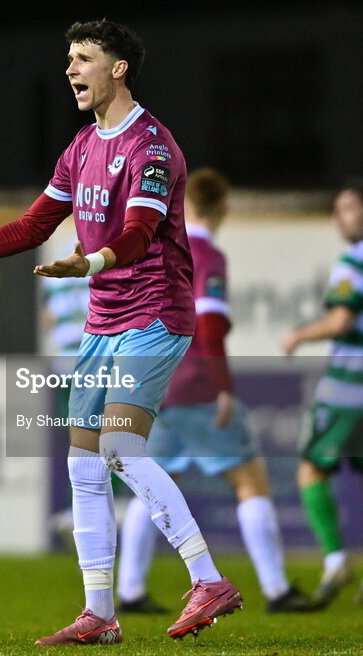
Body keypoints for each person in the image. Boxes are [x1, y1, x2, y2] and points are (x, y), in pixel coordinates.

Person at [0, 19, 242, 645]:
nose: (70, 69)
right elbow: (33, 224)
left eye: (84, 58)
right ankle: (99, 613)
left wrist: (90, 263)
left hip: (155, 312)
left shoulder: (153, 146)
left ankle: (208, 579)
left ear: (118, 68)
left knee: (121, 449)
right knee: (83, 465)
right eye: (68, 58)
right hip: (103, 319)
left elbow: (141, 233)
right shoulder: (81, 146)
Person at [116, 168, 315, 614]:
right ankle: (278, 589)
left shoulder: (157, 249)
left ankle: (129, 590)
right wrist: (223, 387)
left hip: (153, 386)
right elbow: (207, 324)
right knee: (250, 480)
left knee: (153, 487)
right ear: (224, 208)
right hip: (198, 387)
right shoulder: (207, 254)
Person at [280, 179, 363, 606]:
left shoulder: (353, 262)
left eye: (348, 208)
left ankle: (337, 559)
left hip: (350, 389)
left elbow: (340, 322)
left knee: (310, 471)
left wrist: (300, 335)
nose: (340, 218)